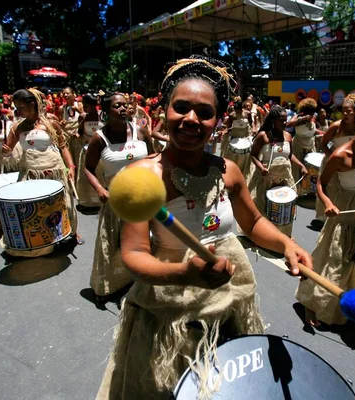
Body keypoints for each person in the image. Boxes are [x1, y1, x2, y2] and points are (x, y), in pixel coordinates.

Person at [96, 56, 313, 400]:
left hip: (229, 299)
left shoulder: (228, 171)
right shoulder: (142, 178)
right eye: (181, 107)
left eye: (204, 112)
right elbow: (134, 254)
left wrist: (286, 244)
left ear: (219, 121)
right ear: (163, 112)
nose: (191, 119)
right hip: (169, 311)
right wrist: (185, 272)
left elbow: (254, 223)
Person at [295, 104, 355, 327]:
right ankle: (315, 305)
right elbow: (321, 183)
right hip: (346, 213)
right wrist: (327, 202)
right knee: (337, 262)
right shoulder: (340, 156)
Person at [84, 93, 152, 302]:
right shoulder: (99, 138)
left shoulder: (140, 131)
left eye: (125, 105)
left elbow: (154, 158)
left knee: (148, 244)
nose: (123, 109)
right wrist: (99, 189)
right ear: (106, 111)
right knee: (113, 246)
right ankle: (109, 287)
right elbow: (88, 167)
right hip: (116, 202)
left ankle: (147, 284)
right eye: (117, 106)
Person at [3, 88, 83, 253]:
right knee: (35, 208)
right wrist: (5, 151)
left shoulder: (50, 123)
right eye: (16, 107)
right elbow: (8, 150)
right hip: (31, 172)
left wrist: (71, 167)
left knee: (65, 204)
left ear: (32, 105)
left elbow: (63, 146)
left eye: (21, 107)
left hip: (54, 170)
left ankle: (72, 232)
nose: (17, 111)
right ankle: (41, 240)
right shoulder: (17, 128)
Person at [248, 105, 308, 237]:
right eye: (281, 120)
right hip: (267, 179)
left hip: (284, 178)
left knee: (284, 209)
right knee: (264, 209)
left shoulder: (287, 136)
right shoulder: (263, 136)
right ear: (273, 121)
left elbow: (289, 155)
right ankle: (264, 237)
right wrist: (260, 167)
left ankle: (282, 237)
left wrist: (301, 166)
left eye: (286, 120)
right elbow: (253, 155)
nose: (285, 123)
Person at [315, 94, 355, 222]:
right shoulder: (336, 126)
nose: (345, 114)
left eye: (349, 111)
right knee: (332, 189)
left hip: (350, 164)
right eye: (343, 111)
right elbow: (324, 143)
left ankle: (343, 215)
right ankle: (328, 217)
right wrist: (331, 157)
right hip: (334, 163)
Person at [76, 93, 104, 208]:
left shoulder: (102, 115)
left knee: (101, 175)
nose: (85, 108)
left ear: (94, 105)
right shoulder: (82, 117)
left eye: (87, 105)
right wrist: (77, 134)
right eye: (84, 105)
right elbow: (80, 131)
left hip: (101, 149)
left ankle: (102, 197)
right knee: (86, 177)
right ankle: (88, 201)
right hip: (87, 148)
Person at [286, 98, 317, 192]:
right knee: (297, 170)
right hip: (298, 146)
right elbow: (288, 124)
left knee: (311, 169)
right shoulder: (298, 117)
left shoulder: (314, 117)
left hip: (311, 146)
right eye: (310, 111)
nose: (312, 114)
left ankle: (309, 190)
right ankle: (297, 190)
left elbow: (311, 131)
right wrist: (303, 118)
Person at [220, 98, 255, 177]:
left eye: (239, 110)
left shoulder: (247, 114)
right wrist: (224, 131)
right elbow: (227, 127)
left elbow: (251, 123)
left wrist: (253, 129)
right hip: (234, 137)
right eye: (236, 111)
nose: (237, 112)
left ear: (242, 108)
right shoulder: (232, 115)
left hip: (245, 137)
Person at [58, 87, 83, 169]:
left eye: (68, 93)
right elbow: (60, 123)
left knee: (79, 160)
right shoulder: (62, 108)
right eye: (64, 93)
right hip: (67, 136)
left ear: (73, 95)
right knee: (69, 161)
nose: (65, 95)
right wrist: (62, 123)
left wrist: (78, 111)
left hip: (77, 136)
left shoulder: (79, 105)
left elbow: (86, 117)